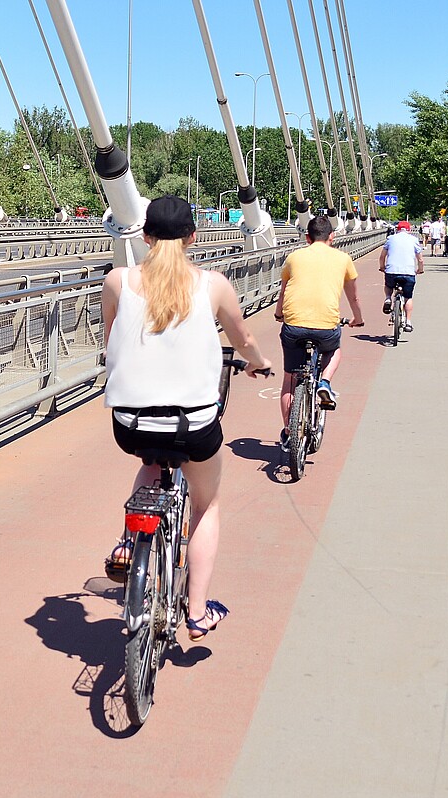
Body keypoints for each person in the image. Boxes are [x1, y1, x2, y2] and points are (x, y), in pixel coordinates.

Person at [100, 196, 272, 640]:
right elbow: (245, 337)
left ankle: (127, 542)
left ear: (145, 236)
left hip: (131, 422)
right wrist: (257, 362)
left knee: (150, 461)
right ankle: (196, 612)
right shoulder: (213, 284)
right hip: (193, 426)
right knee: (206, 504)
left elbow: (111, 338)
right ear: (194, 237)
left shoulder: (118, 281)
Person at [274, 214, 366, 442]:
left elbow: (283, 291)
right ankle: (324, 382)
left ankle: (288, 432)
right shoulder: (343, 258)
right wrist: (357, 319)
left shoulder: (294, 257)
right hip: (326, 327)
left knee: (289, 379)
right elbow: (353, 297)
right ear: (332, 237)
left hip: (293, 326)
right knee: (334, 350)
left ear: (307, 237)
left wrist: (279, 314)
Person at [378, 220, 425, 331]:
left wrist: (382, 267)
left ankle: (388, 298)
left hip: (391, 271)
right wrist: (420, 270)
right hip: (408, 273)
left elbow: (382, 256)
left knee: (389, 286)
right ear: (408, 230)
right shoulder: (414, 240)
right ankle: (408, 322)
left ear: (397, 229)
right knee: (408, 297)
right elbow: (420, 259)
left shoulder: (391, 239)